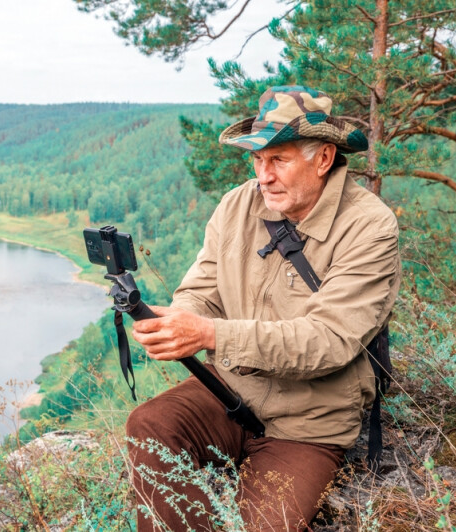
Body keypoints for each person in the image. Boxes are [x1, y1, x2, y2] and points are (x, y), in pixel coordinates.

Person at [127, 85, 401, 531]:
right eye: (257, 159)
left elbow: (329, 341)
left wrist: (211, 335)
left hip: (309, 420)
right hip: (230, 391)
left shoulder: (369, 227)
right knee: (150, 424)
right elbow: (202, 290)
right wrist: (180, 319)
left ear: (324, 158)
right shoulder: (238, 204)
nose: (264, 175)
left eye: (279, 159)